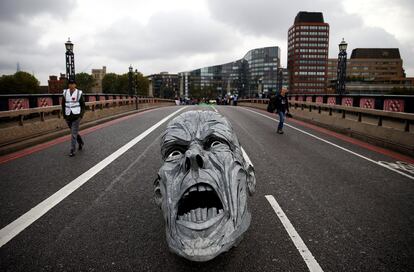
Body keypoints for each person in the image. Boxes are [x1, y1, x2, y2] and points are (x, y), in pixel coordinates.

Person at [61, 78, 85, 157]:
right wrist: (64, 116)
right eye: (70, 84)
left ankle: (72, 150)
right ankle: (80, 142)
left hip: (76, 116)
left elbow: (83, 105)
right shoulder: (65, 93)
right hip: (68, 116)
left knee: (73, 134)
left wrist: (80, 115)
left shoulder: (79, 93)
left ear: (75, 85)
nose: (71, 85)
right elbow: (63, 105)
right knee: (74, 132)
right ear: (68, 85)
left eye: (73, 84)